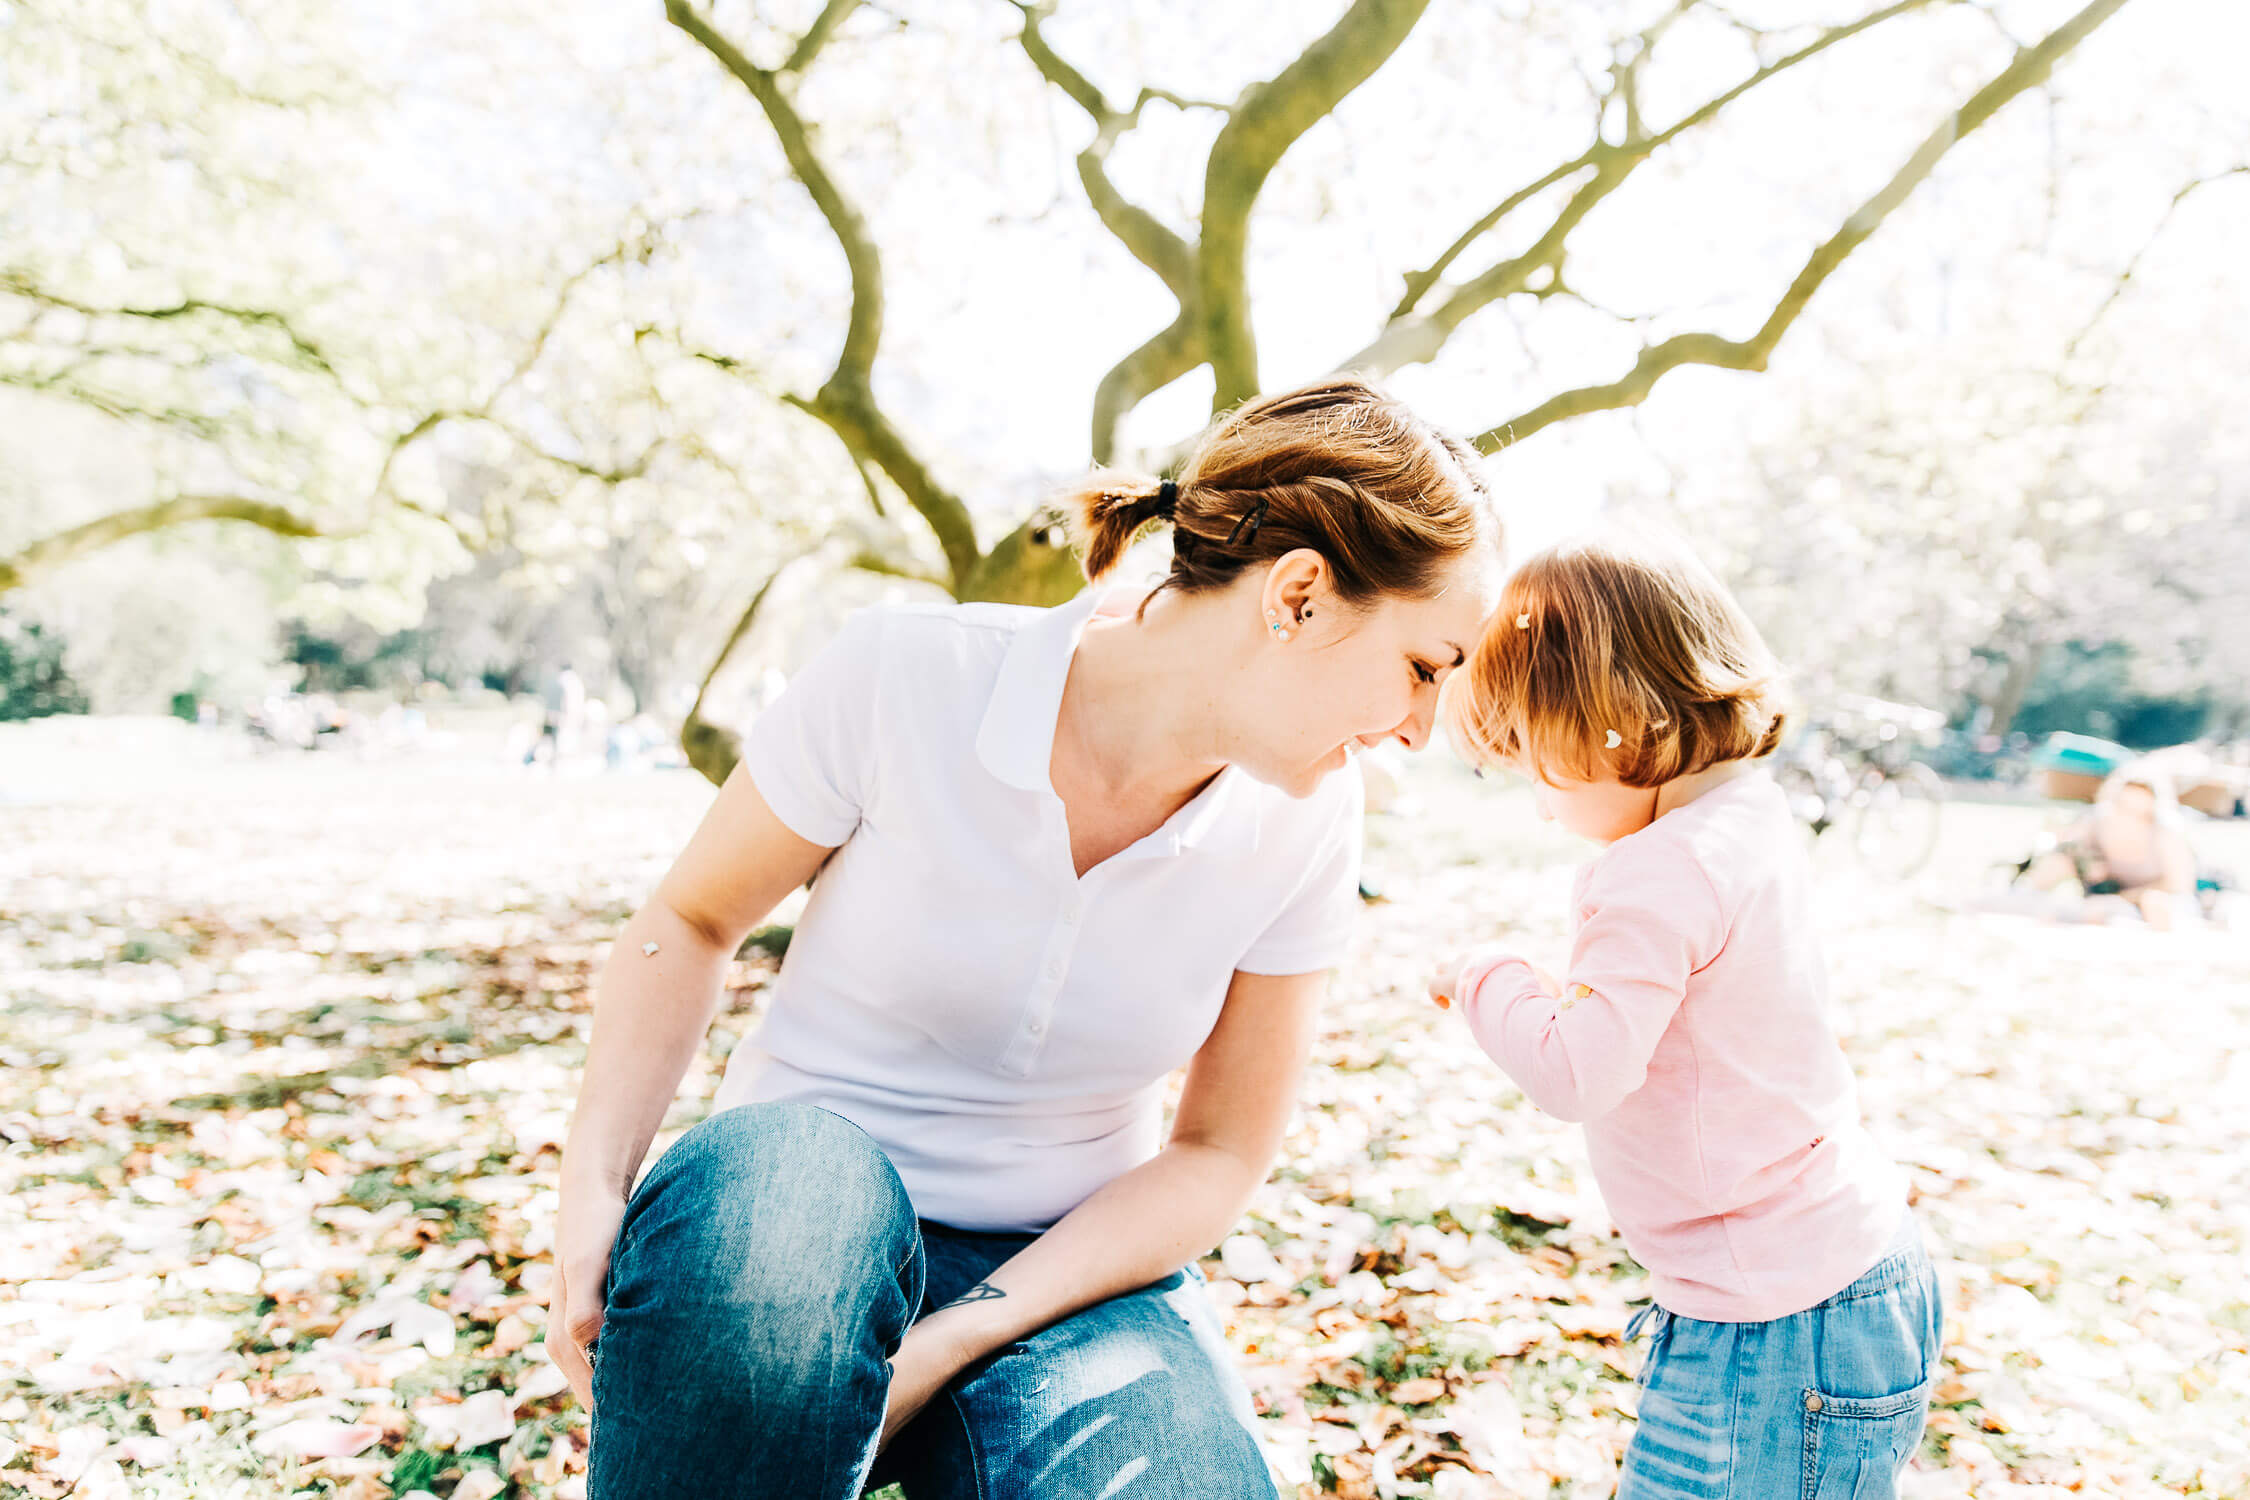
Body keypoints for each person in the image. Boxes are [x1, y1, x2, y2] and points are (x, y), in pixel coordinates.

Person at [550, 376, 1505, 1499]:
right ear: (1297, 596)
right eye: (1424, 667)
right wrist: (591, 1189)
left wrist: (953, 1341)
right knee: (790, 1205)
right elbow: (690, 919)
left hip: (1066, 1266)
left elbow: (1218, 1151)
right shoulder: (911, 674)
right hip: (793, 1208)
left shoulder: (1311, 819)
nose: (1422, 729)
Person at [1427, 532, 1940, 1499]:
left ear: (1608, 727)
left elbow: (1576, 1073)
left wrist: (1483, 975)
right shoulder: (1747, 814)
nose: (1541, 806)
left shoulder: (1655, 873)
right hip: (1855, 1273)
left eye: (1538, 766)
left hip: (1772, 1328)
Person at [2018, 765, 2197, 930]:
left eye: (2138, 807)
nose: (2130, 813)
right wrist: (2088, 862)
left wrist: (2122, 898)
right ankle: (2021, 900)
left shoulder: (2166, 833)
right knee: (2057, 863)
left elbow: (2179, 886)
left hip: (2147, 900)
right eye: (2125, 804)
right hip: (2101, 894)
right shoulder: (2097, 820)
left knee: (2154, 903)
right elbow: (2065, 846)